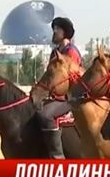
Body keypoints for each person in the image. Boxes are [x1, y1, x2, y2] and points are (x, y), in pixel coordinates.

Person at [34, 17, 83, 159]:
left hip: (71, 98)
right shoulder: (55, 52)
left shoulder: (71, 52)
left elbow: (70, 80)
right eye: (54, 29)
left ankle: (58, 157)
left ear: (65, 33)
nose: (54, 32)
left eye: (57, 30)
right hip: (57, 97)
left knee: (46, 115)